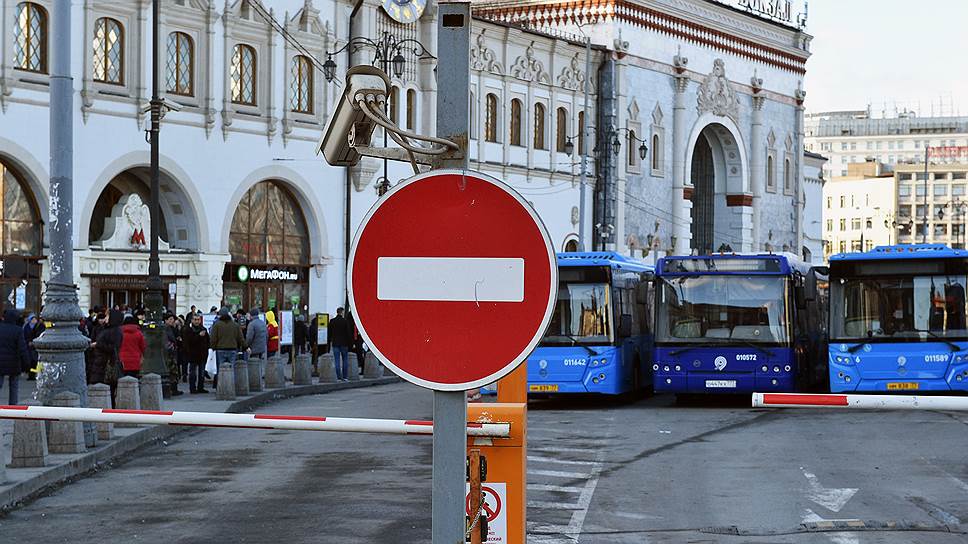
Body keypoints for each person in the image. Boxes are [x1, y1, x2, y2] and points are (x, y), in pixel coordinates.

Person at [91, 310, 124, 400]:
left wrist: (97, 345)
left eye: (107, 316)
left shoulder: (115, 331)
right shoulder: (106, 329)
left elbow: (113, 348)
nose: (105, 318)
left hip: (106, 365)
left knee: (106, 391)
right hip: (101, 364)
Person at [210, 307, 245, 387]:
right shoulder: (235, 325)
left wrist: (213, 347)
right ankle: (230, 386)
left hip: (220, 350)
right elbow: (240, 338)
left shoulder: (217, 325)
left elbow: (213, 338)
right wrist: (245, 347)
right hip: (232, 349)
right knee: (231, 369)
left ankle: (221, 386)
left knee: (220, 369)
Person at [0, 309, 29, 404]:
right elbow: (22, 349)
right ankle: (12, 407)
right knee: (13, 387)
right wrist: (27, 364)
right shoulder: (18, 330)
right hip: (13, 363)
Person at [182, 313, 210, 393]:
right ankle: (192, 388)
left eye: (198, 320)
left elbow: (208, 340)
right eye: (195, 319)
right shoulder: (188, 329)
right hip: (192, 354)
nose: (197, 321)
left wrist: (207, 348)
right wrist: (198, 336)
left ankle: (201, 387)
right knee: (192, 373)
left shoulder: (203, 329)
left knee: (201, 373)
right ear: (192, 320)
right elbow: (188, 342)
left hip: (202, 354)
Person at [328, 307, 352, 381]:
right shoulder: (345, 321)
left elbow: (329, 333)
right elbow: (348, 333)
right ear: (342, 312)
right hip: (344, 343)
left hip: (335, 343)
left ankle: (338, 377)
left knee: (337, 360)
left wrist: (329, 341)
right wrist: (350, 343)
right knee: (345, 360)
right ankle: (345, 377)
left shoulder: (332, 321)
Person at [163, 313, 183, 396]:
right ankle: (172, 389)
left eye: (173, 319)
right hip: (169, 354)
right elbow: (166, 341)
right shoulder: (165, 329)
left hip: (173, 353)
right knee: (172, 371)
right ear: (166, 320)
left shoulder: (172, 328)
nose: (172, 321)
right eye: (170, 319)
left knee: (174, 371)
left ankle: (174, 388)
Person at [22, 313, 44, 380]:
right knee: (31, 361)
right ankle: (31, 374)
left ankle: (34, 374)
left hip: (35, 346)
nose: (35, 320)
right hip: (29, 346)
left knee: (35, 361)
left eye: (35, 319)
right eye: (33, 319)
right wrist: (28, 342)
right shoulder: (26, 327)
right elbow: (25, 336)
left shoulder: (38, 326)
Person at [245, 308, 268, 373]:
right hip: (262, 347)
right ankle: (259, 377)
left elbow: (249, 338)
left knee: (253, 365)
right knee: (259, 363)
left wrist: (246, 346)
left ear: (251, 315)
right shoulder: (263, 323)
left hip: (254, 348)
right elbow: (267, 335)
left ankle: (255, 379)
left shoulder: (252, 324)